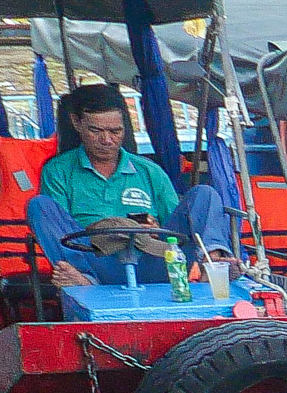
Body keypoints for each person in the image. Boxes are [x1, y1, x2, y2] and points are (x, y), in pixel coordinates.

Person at [25, 82, 233, 289]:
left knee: (204, 194)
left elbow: (175, 230)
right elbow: (62, 230)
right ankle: (84, 279)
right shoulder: (58, 170)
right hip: (95, 263)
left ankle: (213, 261)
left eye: (115, 131)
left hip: (154, 260)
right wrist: (111, 229)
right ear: (76, 123)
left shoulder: (149, 170)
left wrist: (154, 230)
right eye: (96, 130)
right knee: (39, 206)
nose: (107, 140)